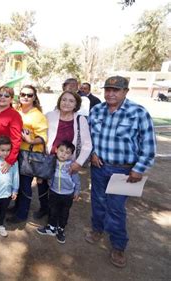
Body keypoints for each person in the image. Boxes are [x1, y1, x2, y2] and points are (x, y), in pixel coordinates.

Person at [86, 76, 156, 268]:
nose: (111, 93)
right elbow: (87, 138)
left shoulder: (138, 113)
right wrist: (92, 153)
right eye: (108, 89)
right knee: (98, 201)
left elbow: (149, 145)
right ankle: (97, 229)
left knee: (115, 209)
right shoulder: (97, 110)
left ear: (125, 92)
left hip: (124, 171)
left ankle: (118, 245)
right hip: (99, 167)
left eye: (116, 90)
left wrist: (138, 169)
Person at [10, 85, 49, 224]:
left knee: (25, 185)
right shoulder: (16, 110)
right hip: (15, 151)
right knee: (17, 182)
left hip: (29, 154)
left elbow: (43, 137)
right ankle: (16, 207)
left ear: (34, 97)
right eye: (23, 94)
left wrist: (30, 140)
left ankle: (22, 214)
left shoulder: (38, 115)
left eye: (29, 95)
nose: (25, 97)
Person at [36, 141, 80, 244]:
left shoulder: (71, 166)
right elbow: (46, 171)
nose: (63, 154)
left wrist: (77, 191)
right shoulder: (52, 162)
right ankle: (51, 228)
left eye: (67, 152)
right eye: (61, 150)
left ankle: (60, 229)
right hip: (54, 192)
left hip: (67, 195)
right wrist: (41, 178)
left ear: (71, 155)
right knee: (53, 210)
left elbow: (76, 180)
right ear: (56, 150)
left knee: (64, 212)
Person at [46, 91, 92, 173]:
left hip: (67, 165)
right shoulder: (49, 116)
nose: (66, 103)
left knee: (65, 185)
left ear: (76, 105)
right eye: (64, 100)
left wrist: (78, 163)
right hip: (47, 162)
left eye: (71, 101)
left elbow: (87, 144)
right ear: (59, 101)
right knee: (45, 185)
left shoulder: (81, 119)